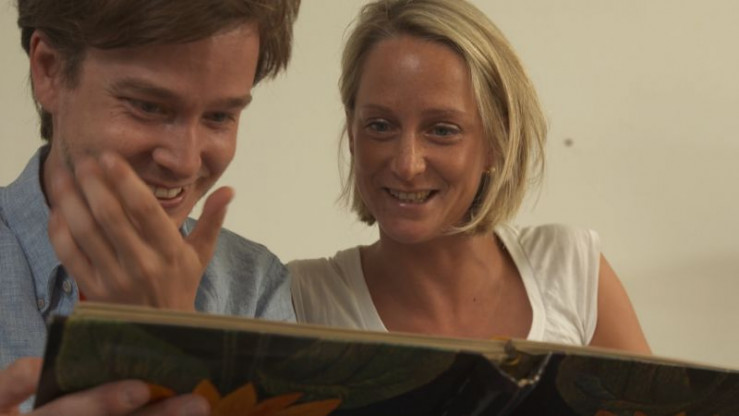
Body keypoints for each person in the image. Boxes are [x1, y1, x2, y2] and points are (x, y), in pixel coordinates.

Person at [289, 0, 651, 353]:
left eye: (442, 130)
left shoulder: (572, 272)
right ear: (352, 134)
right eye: (380, 126)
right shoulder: (303, 299)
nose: (407, 164)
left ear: (497, 141)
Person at [0, 0, 300, 414]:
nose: (186, 162)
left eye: (218, 116)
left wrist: (173, 336)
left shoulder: (256, 290)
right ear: (49, 70)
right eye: (148, 106)